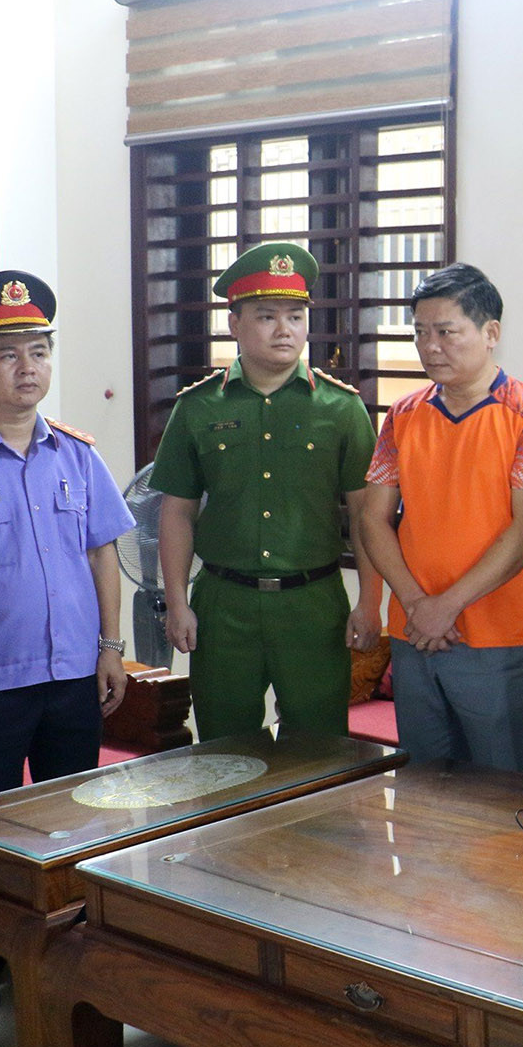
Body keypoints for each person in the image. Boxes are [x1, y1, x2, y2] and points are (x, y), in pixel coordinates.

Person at [0, 271, 134, 1032]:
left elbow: (103, 552)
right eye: (8, 354)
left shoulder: (76, 453)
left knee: (72, 828)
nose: (28, 368)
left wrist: (112, 647)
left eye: (39, 351)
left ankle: (67, 960)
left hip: (73, 677)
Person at [152, 241, 382, 741]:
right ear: (234, 324)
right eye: (266, 316)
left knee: (320, 748)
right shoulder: (197, 407)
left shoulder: (342, 408)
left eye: (296, 316)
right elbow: (176, 513)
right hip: (223, 604)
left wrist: (369, 600)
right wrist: (176, 601)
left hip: (313, 604)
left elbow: (367, 514)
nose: (285, 329)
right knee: (224, 751)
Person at [356, 263, 523, 773]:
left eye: (446, 332)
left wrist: (446, 606)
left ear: (490, 333)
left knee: (499, 788)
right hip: (413, 631)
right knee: (423, 783)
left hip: (495, 636)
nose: (430, 347)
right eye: (420, 333)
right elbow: (373, 519)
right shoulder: (403, 414)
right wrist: (416, 604)